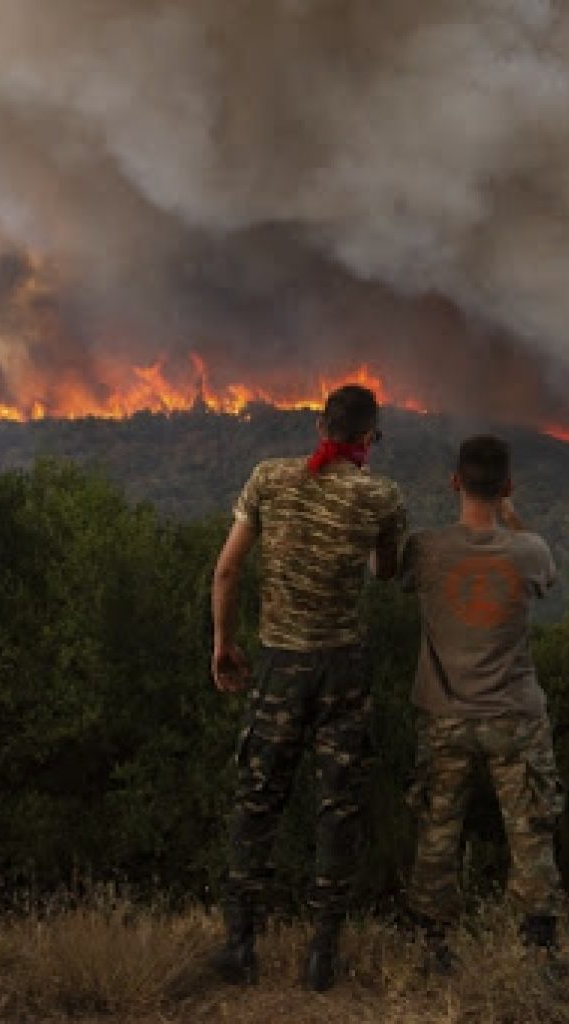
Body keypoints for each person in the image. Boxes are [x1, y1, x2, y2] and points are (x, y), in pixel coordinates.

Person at [210, 384, 406, 992]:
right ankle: (322, 955)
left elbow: (227, 567)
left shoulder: (267, 479)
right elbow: (389, 571)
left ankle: (241, 949)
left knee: (256, 801)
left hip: (278, 666)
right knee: (337, 807)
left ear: (320, 425)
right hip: (343, 670)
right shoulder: (381, 495)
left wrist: (223, 642)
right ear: (370, 438)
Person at [401, 434, 566, 971]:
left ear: (454, 482)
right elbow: (548, 576)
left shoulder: (426, 549)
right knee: (529, 829)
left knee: (438, 828)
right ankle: (538, 951)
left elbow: (389, 572)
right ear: (508, 487)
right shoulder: (529, 550)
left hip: (444, 716)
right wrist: (512, 518)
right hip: (514, 717)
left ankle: (432, 946)